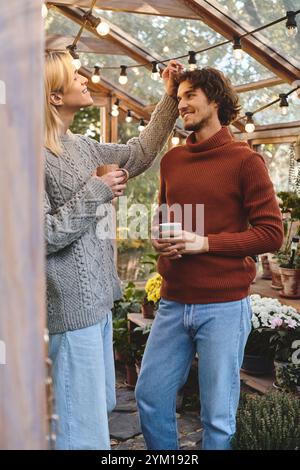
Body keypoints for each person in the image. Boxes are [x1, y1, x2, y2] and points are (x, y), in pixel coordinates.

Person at [135, 67, 284, 450]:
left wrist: (204, 244)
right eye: (178, 97)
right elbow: (164, 218)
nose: (180, 104)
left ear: (215, 99)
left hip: (223, 307)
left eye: (189, 96)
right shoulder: (172, 161)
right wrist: (160, 240)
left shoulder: (245, 161)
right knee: (150, 397)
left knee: (216, 418)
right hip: (172, 302)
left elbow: (272, 234)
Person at [44, 51, 182, 450]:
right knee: (79, 430)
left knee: (96, 408)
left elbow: (138, 154)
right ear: (54, 96)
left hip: (100, 306)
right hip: (70, 312)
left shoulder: (82, 146)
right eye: (75, 75)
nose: (85, 78)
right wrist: (96, 191)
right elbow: (40, 236)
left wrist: (170, 99)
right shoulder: (28, 156)